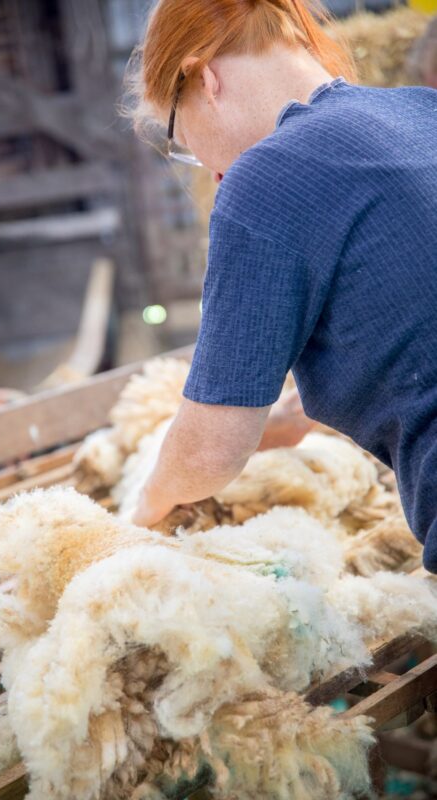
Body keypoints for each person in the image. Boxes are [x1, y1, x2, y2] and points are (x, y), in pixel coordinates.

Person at [129, 0, 437, 573]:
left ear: (206, 78)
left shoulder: (267, 175)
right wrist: (292, 421)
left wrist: (145, 507)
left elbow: (211, 448)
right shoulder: (422, 111)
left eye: (178, 133)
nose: (202, 163)